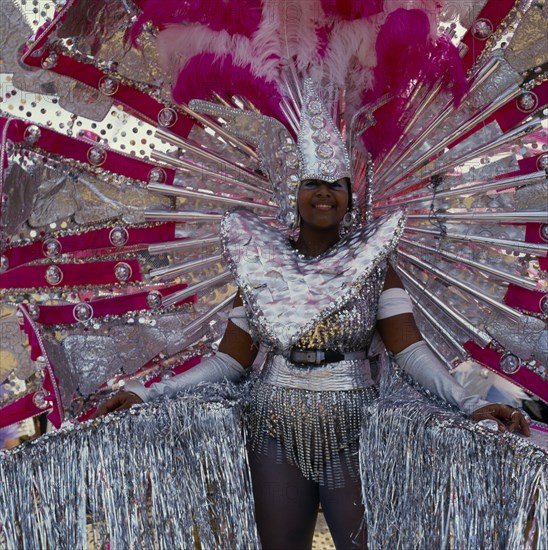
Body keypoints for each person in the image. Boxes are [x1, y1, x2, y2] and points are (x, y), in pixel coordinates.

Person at [96, 81, 530, 550]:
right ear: (295, 193)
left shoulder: (375, 268)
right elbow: (230, 362)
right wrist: (149, 391)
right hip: (271, 421)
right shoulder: (260, 265)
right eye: (313, 185)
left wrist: (468, 404)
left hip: (354, 422)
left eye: (335, 187)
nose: (324, 195)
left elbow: (411, 352)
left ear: (350, 197)